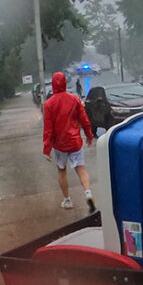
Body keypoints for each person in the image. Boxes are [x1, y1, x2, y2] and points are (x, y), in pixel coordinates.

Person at [42, 71, 96, 212]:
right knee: (81, 170)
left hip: (59, 144)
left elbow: (48, 129)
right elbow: (84, 120)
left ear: (53, 85)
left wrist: (46, 148)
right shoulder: (74, 99)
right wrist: (89, 135)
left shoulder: (49, 104)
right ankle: (88, 193)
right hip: (75, 142)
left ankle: (67, 200)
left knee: (62, 170)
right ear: (65, 83)